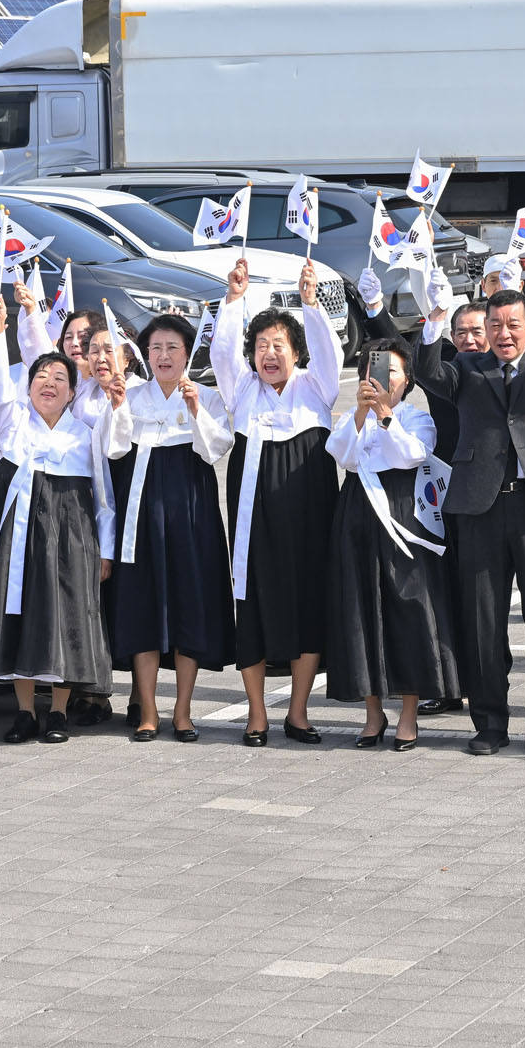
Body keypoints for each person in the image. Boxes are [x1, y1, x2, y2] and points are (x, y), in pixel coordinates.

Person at [416, 236, 525, 757]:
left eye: (513, 324)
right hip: (480, 505)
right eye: (495, 325)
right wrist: (434, 320)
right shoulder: (468, 369)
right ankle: (490, 724)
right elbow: (428, 372)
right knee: (484, 621)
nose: (503, 334)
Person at [212, 258, 343, 746]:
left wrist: (311, 304)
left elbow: (329, 351)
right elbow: (222, 353)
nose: (269, 354)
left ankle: (299, 712)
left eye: (279, 345)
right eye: (261, 346)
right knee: (253, 601)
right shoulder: (242, 389)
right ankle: (256, 713)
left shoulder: (317, 387)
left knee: (308, 598)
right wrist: (234, 300)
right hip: (254, 508)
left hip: (309, 505)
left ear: (296, 353)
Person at [0, 297, 117, 743]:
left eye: (60, 378)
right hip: (19, 538)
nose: (49, 383)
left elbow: (104, 499)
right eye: (41, 376)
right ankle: (24, 711)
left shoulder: (86, 435)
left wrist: (106, 551)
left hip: (72, 541)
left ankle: (57, 711)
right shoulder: (12, 424)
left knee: (66, 619)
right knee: (20, 617)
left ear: (72, 392)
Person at [100, 313, 235, 742]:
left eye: (172, 347)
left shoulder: (205, 395)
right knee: (142, 604)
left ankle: (183, 711)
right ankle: (147, 709)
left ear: (187, 353)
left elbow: (216, 449)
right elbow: (113, 449)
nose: (163, 356)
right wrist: (117, 407)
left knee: (188, 602)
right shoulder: (131, 392)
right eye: (155, 348)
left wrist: (195, 410)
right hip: (141, 508)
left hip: (190, 508)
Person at [324, 340, 460, 751]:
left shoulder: (416, 418)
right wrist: (362, 413)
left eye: (390, 371)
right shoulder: (353, 416)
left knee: (408, 607)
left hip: (402, 513)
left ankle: (408, 713)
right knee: (360, 607)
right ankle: (372, 713)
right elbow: (342, 455)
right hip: (357, 513)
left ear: (407, 380)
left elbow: (411, 455)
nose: (380, 379)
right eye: (371, 372)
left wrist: (384, 414)